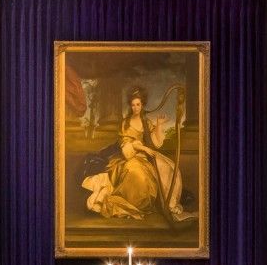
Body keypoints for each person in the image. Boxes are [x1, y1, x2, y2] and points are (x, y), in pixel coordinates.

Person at [81, 86, 194, 224]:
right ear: (130, 106)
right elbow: (126, 146)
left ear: (142, 105)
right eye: (133, 105)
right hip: (130, 157)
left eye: (138, 104)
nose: (135, 107)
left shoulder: (147, 122)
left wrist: (158, 126)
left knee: (168, 169)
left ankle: (159, 204)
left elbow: (155, 144)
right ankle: (132, 205)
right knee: (135, 173)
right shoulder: (125, 123)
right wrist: (142, 148)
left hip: (145, 158)